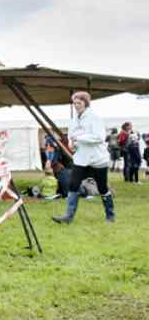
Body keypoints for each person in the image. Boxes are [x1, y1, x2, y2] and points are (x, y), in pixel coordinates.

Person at [52, 91, 114, 224]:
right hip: (81, 158)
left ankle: (110, 215)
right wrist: (71, 144)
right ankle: (68, 217)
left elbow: (99, 137)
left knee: (102, 187)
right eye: (74, 103)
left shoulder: (94, 117)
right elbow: (71, 135)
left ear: (85, 103)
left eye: (79, 103)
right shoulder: (74, 119)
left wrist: (79, 138)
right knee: (73, 185)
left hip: (97, 159)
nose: (76, 106)